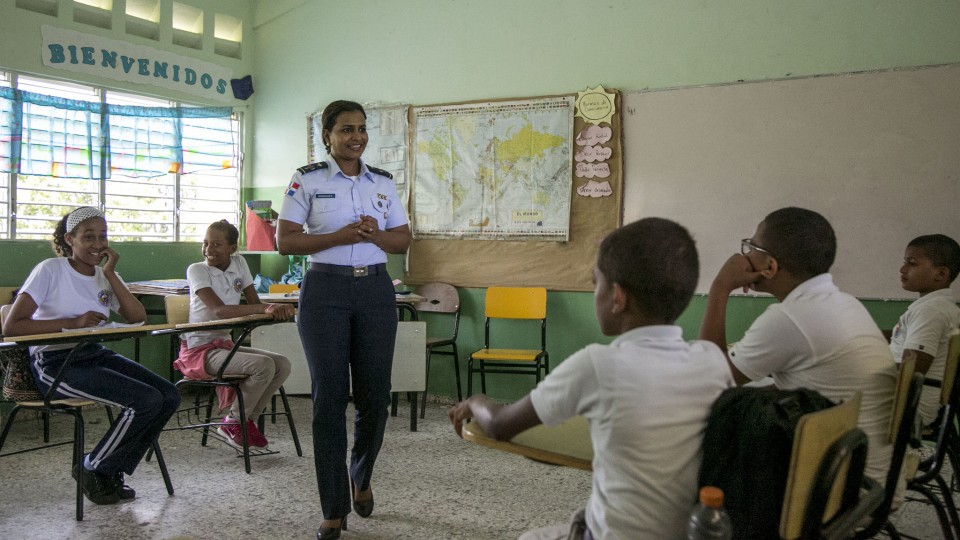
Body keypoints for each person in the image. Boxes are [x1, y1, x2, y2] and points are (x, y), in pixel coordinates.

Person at [449, 218, 735, 540]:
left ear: (617, 297)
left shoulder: (598, 364)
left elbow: (501, 425)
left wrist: (476, 401)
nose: (594, 292)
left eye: (595, 282)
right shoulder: (712, 361)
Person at [276, 100, 411, 540]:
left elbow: (402, 240)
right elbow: (286, 241)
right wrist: (341, 235)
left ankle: (360, 472)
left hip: (375, 290)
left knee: (375, 396)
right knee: (328, 401)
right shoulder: (308, 179)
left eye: (362, 129)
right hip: (325, 292)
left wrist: (375, 234)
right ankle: (333, 508)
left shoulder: (383, 184)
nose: (357, 137)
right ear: (328, 136)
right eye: (346, 130)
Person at [699, 206, 897, 486]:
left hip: (837, 485)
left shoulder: (791, 317)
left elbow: (708, 379)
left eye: (751, 246)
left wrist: (720, 287)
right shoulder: (843, 302)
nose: (744, 255)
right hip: (865, 469)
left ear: (771, 266)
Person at [2, 206, 181, 505]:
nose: (98, 244)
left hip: (94, 354)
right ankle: (94, 468)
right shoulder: (50, 270)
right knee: (145, 401)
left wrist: (110, 274)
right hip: (55, 364)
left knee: (169, 395)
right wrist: (70, 324)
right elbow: (12, 327)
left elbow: (138, 318)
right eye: (88, 237)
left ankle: (107, 469)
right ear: (70, 239)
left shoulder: (104, 275)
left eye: (103, 236)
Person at [177, 220, 295, 449]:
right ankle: (233, 421)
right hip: (200, 351)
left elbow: (254, 302)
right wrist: (264, 309)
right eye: (205, 243)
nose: (208, 249)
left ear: (233, 248)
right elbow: (220, 311)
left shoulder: (239, 263)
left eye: (216, 244)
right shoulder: (197, 270)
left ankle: (245, 420)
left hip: (224, 346)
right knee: (262, 366)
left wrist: (279, 308)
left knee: (282, 364)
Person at [889, 234, 960, 427]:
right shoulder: (938, 307)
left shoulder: (930, 312)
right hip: (907, 402)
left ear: (941, 274)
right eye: (905, 262)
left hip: (909, 409)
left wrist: (863, 368)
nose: (902, 269)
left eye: (912, 263)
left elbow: (910, 371)